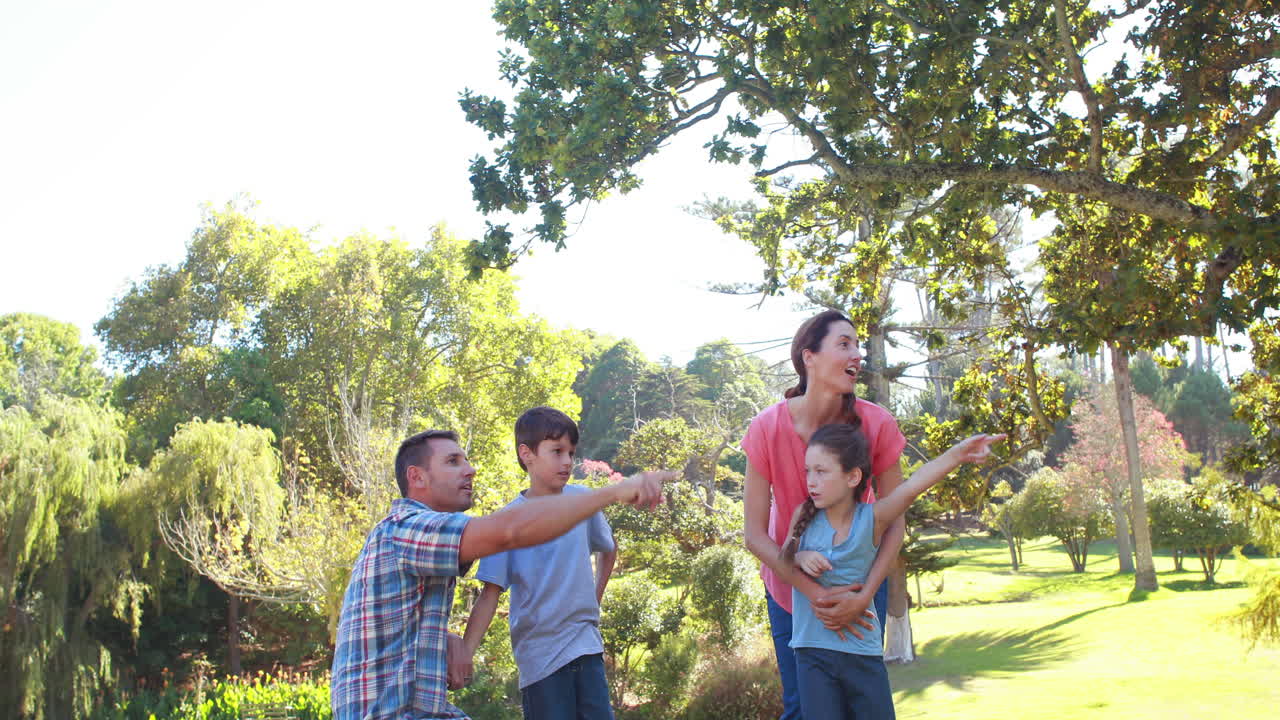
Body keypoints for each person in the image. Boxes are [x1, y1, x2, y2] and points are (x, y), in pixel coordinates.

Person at [331, 429, 670, 720]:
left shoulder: (415, 538)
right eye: (453, 462)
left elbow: (395, 620)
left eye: (466, 460)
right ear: (417, 477)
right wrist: (613, 492)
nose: (471, 470)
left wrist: (445, 638)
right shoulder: (404, 528)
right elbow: (509, 531)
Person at [741, 309, 908, 719]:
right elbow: (754, 535)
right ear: (809, 357)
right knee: (803, 708)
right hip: (788, 590)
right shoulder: (766, 428)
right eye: (844, 344)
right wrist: (814, 593)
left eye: (858, 345)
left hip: (859, 586)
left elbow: (895, 522)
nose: (857, 355)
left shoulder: (877, 424)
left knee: (861, 707)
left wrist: (864, 596)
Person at [782, 424, 1005, 719]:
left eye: (821, 471)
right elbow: (783, 562)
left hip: (862, 654)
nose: (811, 481)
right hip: (812, 654)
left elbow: (914, 486)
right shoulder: (803, 515)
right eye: (808, 471)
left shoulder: (873, 518)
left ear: (852, 477)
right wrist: (800, 557)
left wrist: (959, 453)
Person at [457, 407, 618, 719]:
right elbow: (489, 595)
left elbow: (608, 549)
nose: (567, 461)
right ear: (526, 454)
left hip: (587, 646)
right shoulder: (506, 522)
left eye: (571, 452)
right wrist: (466, 653)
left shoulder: (583, 502)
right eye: (557, 451)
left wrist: (593, 600)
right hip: (540, 658)